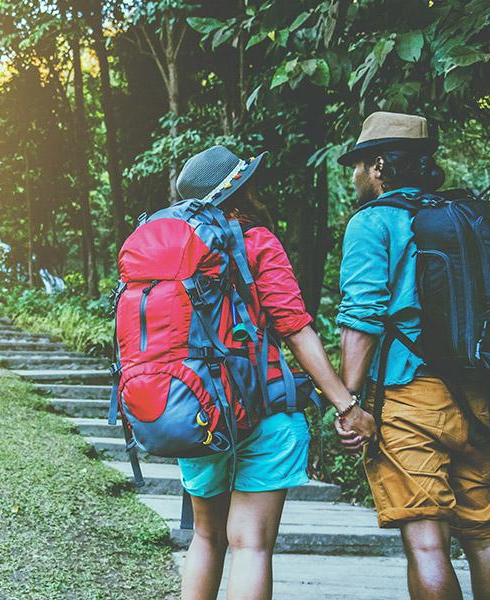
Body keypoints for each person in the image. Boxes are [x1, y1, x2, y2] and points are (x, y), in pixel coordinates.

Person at [175, 146, 376, 600]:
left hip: (198, 411)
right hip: (265, 409)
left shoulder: (178, 250)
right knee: (250, 546)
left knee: (206, 538)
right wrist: (345, 404)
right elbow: (295, 329)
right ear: (240, 195)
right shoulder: (257, 241)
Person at [336, 111, 490, 600]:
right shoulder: (471, 217)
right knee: (486, 538)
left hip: (407, 399)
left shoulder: (373, 222)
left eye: (357, 164)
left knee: (426, 542)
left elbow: (361, 318)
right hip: (481, 395)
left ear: (378, 166)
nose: (354, 176)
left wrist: (349, 402)